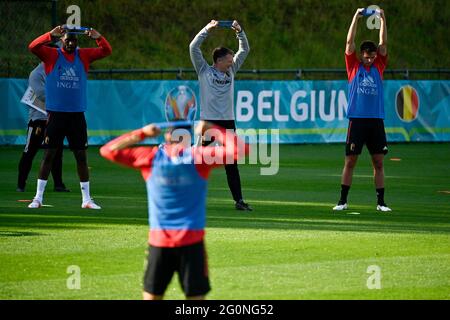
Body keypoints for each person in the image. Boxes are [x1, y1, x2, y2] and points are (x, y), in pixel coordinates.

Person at [100, 120, 249, 300]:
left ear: (166, 136)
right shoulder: (199, 158)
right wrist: (212, 129)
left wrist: (142, 133)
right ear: (188, 139)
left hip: (159, 242)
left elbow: (107, 150)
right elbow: (241, 150)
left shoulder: (150, 158)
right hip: (192, 242)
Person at [27, 25, 112, 209]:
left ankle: (87, 200)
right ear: (61, 41)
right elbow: (33, 47)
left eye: (74, 41)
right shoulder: (52, 55)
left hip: (76, 115)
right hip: (56, 115)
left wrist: (98, 37)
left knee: (81, 156)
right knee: (49, 154)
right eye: (67, 40)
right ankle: (38, 198)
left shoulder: (83, 56)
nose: (71, 43)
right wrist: (49, 34)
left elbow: (107, 50)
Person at [189, 19, 252, 211]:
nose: (232, 62)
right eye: (229, 60)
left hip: (228, 122)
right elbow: (193, 47)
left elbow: (245, 49)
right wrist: (207, 29)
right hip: (208, 122)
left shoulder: (231, 71)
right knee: (200, 161)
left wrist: (239, 31)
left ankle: (239, 201)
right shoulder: (203, 70)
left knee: (231, 163)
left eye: (232, 60)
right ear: (218, 61)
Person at [333, 8, 391, 212]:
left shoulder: (379, 65)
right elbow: (349, 43)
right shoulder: (353, 66)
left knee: (379, 162)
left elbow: (383, 44)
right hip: (356, 120)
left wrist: (382, 19)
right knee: (350, 161)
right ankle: (342, 201)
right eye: (368, 57)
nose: (371, 60)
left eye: (373, 57)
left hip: (376, 120)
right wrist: (355, 18)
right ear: (362, 55)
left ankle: (381, 202)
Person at [17, 61, 69, 193]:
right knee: (29, 152)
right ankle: (21, 184)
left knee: (56, 153)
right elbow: (41, 94)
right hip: (38, 119)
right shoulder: (36, 73)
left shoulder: (58, 71)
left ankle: (58, 184)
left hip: (54, 118)